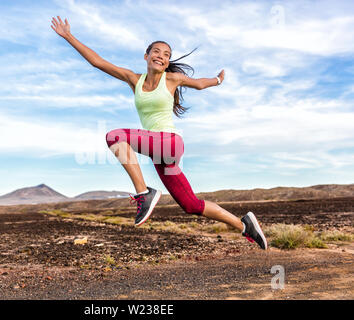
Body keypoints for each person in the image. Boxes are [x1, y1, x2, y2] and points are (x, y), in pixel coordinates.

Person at [51, 16, 268, 250]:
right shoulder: (134, 79)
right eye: (156, 51)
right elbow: (99, 62)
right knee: (191, 204)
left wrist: (217, 80)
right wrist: (69, 37)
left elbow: (199, 84)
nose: (161, 56)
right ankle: (245, 225)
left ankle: (143, 193)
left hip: (171, 144)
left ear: (167, 62)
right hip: (159, 153)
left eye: (166, 54)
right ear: (146, 56)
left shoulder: (172, 79)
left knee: (115, 136)